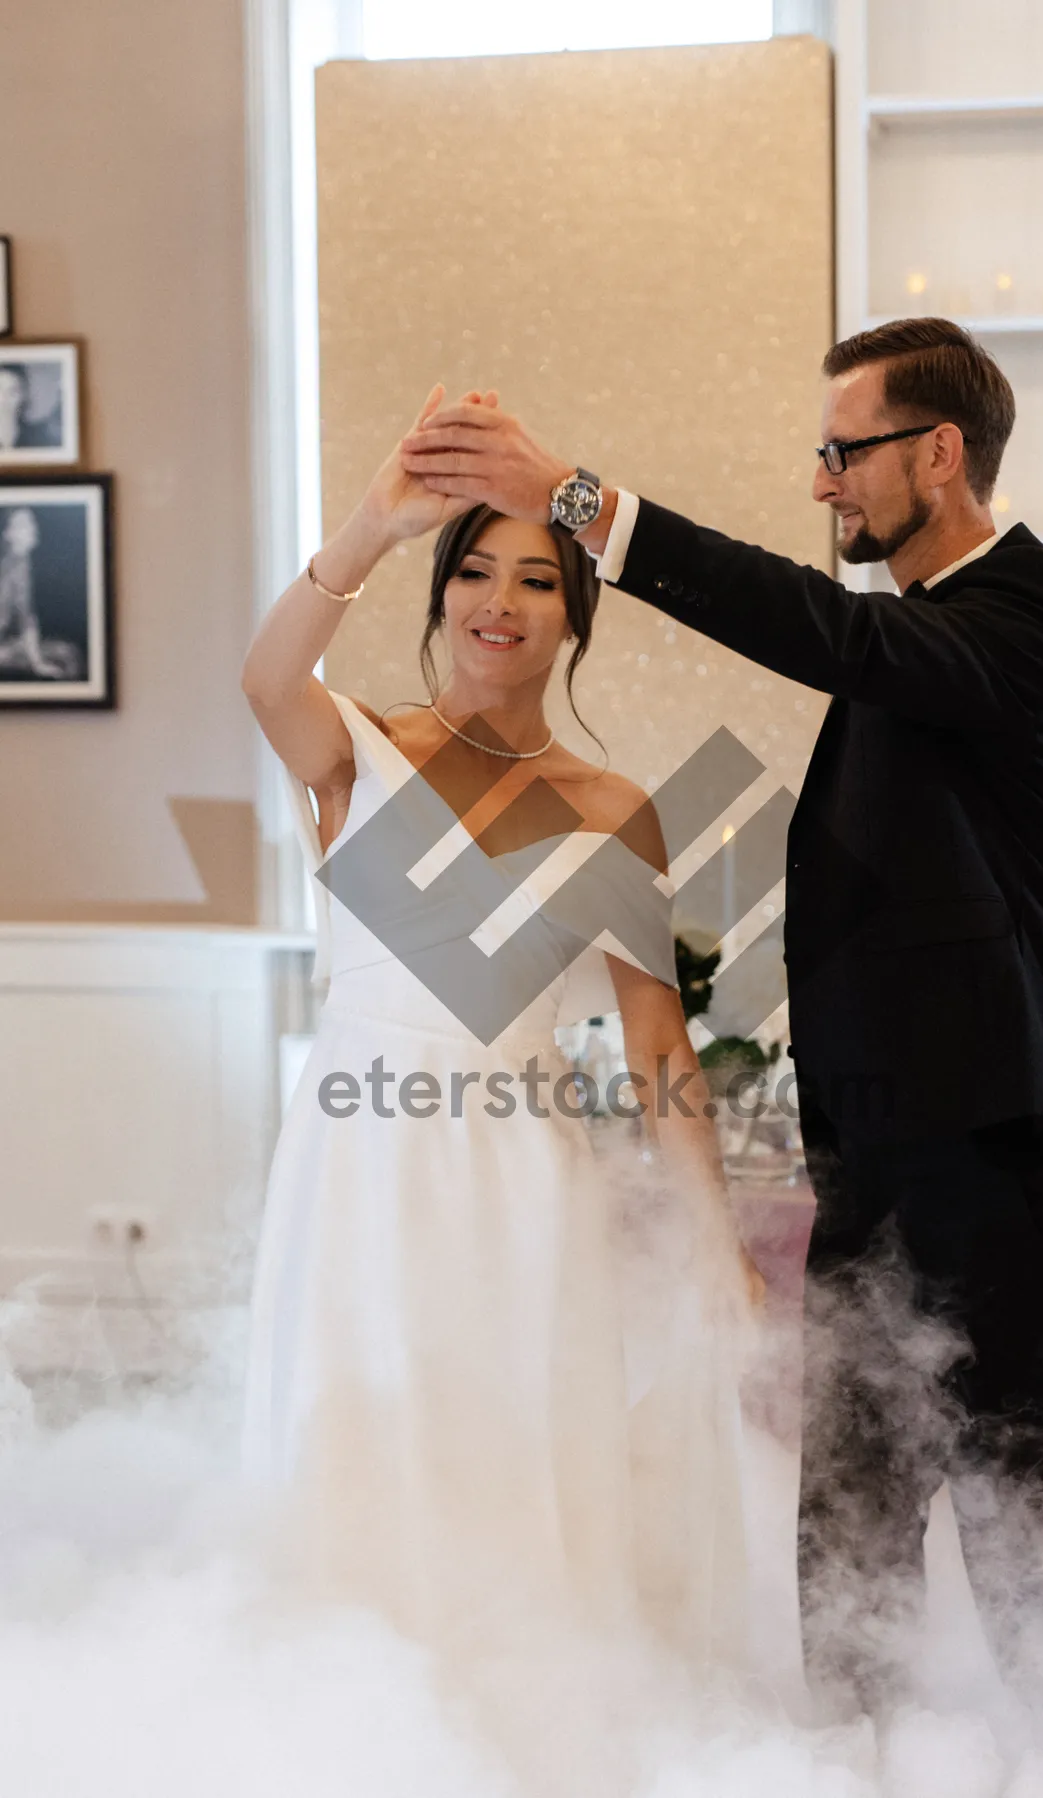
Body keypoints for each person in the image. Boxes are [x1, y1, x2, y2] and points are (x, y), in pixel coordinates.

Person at [398, 318, 1043, 1762]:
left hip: (1001, 1151)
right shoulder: (921, 640)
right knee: (847, 1537)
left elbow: (822, 623)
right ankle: (857, 1770)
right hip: (887, 1165)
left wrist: (583, 502)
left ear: (939, 451)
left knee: (1016, 1511)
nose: (823, 485)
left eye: (843, 453)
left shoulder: (1035, 609)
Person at [239, 385, 758, 1691]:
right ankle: (348, 1718)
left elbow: (660, 1054)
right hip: (362, 1164)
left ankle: (530, 1713)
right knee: (364, 1421)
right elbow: (262, 675)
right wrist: (372, 523)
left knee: (518, 1426)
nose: (500, 599)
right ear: (438, 596)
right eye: (474, 570)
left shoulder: (614, 808)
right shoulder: (354, 751)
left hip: (527, 1167)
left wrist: (716, 1244)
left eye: (537, 578)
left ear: (572, 618)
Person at [0, 505, 82, 677]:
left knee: (68, 653)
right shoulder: (6, 567)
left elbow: (26, 617)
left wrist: (37, 661)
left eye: (31, 522)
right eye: (24, 524)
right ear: (8, 533)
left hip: (11, 643)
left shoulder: (22, 563)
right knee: (67, 657)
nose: (32, 528)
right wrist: (36, 661)